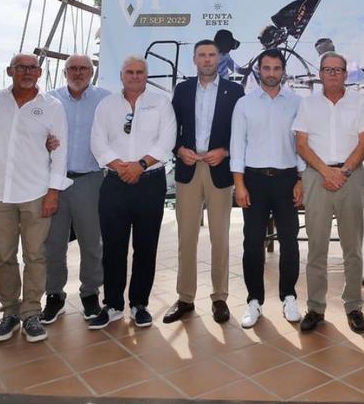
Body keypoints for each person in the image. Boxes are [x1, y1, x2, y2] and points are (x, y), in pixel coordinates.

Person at [0, 54, 69, 344]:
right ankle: (9, 313)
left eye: (33, 68)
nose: (28, 72)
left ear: (40, 73)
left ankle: (31, 313)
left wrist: (53, 191)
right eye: (22, 67)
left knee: (35, 255)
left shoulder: (51, 106)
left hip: (36, 192)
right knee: (4, 257)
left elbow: (59, 151)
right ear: (10, 71)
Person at [89, 56, 176, 329]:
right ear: (121, 75)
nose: (135, 76)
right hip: (115, 182)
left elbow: (167, 140)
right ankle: (113, 304)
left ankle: (140, 303)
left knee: (145, 246)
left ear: (146, 75)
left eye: (140, 72)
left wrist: (139, 166)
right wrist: (120, 166)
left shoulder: (161, 103)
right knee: (113, 247)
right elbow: (97, 141)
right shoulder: (107, 105)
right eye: (130, 72)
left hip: (150, 182)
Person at [165, 40, 245, 324]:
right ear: (195, 59)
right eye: (202, 55)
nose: (208, 60)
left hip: (219, 170)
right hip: (188, 169)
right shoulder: (183, 90)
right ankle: (185, 298)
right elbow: (170, 127)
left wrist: (225, 151)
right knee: (186, 237)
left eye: (212, 54)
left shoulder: (235, 91)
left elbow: (240, 132)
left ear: (218, 59)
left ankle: (219, 297)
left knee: (219, 237)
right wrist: (178, 149)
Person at [293, 51, 364, 333]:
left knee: (353, 247)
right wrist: (327, 172)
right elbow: (301, 144)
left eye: (338, 70)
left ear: (345, 74)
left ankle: (354, 306)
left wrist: (344, 173)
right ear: (320, 73)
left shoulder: (359, 102)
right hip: (318, 177)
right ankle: (315, 307)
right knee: (316, 247)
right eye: (327, 70)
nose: (333, 74)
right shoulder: (308, 104)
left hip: (351, 177)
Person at [230, 48, 304, 328]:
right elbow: (238, 145)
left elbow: (301, 145)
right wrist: (239, 183)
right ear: (258, 70)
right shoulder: (244, 104)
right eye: (266, 68)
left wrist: (301, 180)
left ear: (283, 71)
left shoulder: (297, 103)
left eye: (276, 68)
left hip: (287, 180)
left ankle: (289, 296)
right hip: (254, 181)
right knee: (252, 243)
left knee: (289, 241)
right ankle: (254, 301)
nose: (271, 73)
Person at [41, 55, 110, 325]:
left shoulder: (105, 99)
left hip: (90, 180)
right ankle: (54, 296)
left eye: (84, 69)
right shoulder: (48, 100)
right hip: (54, 183)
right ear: (65, 71)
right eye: (73, 69)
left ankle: (90, 293)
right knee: (53, 244)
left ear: (92, 72)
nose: (78, 73)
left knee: (92, 243)